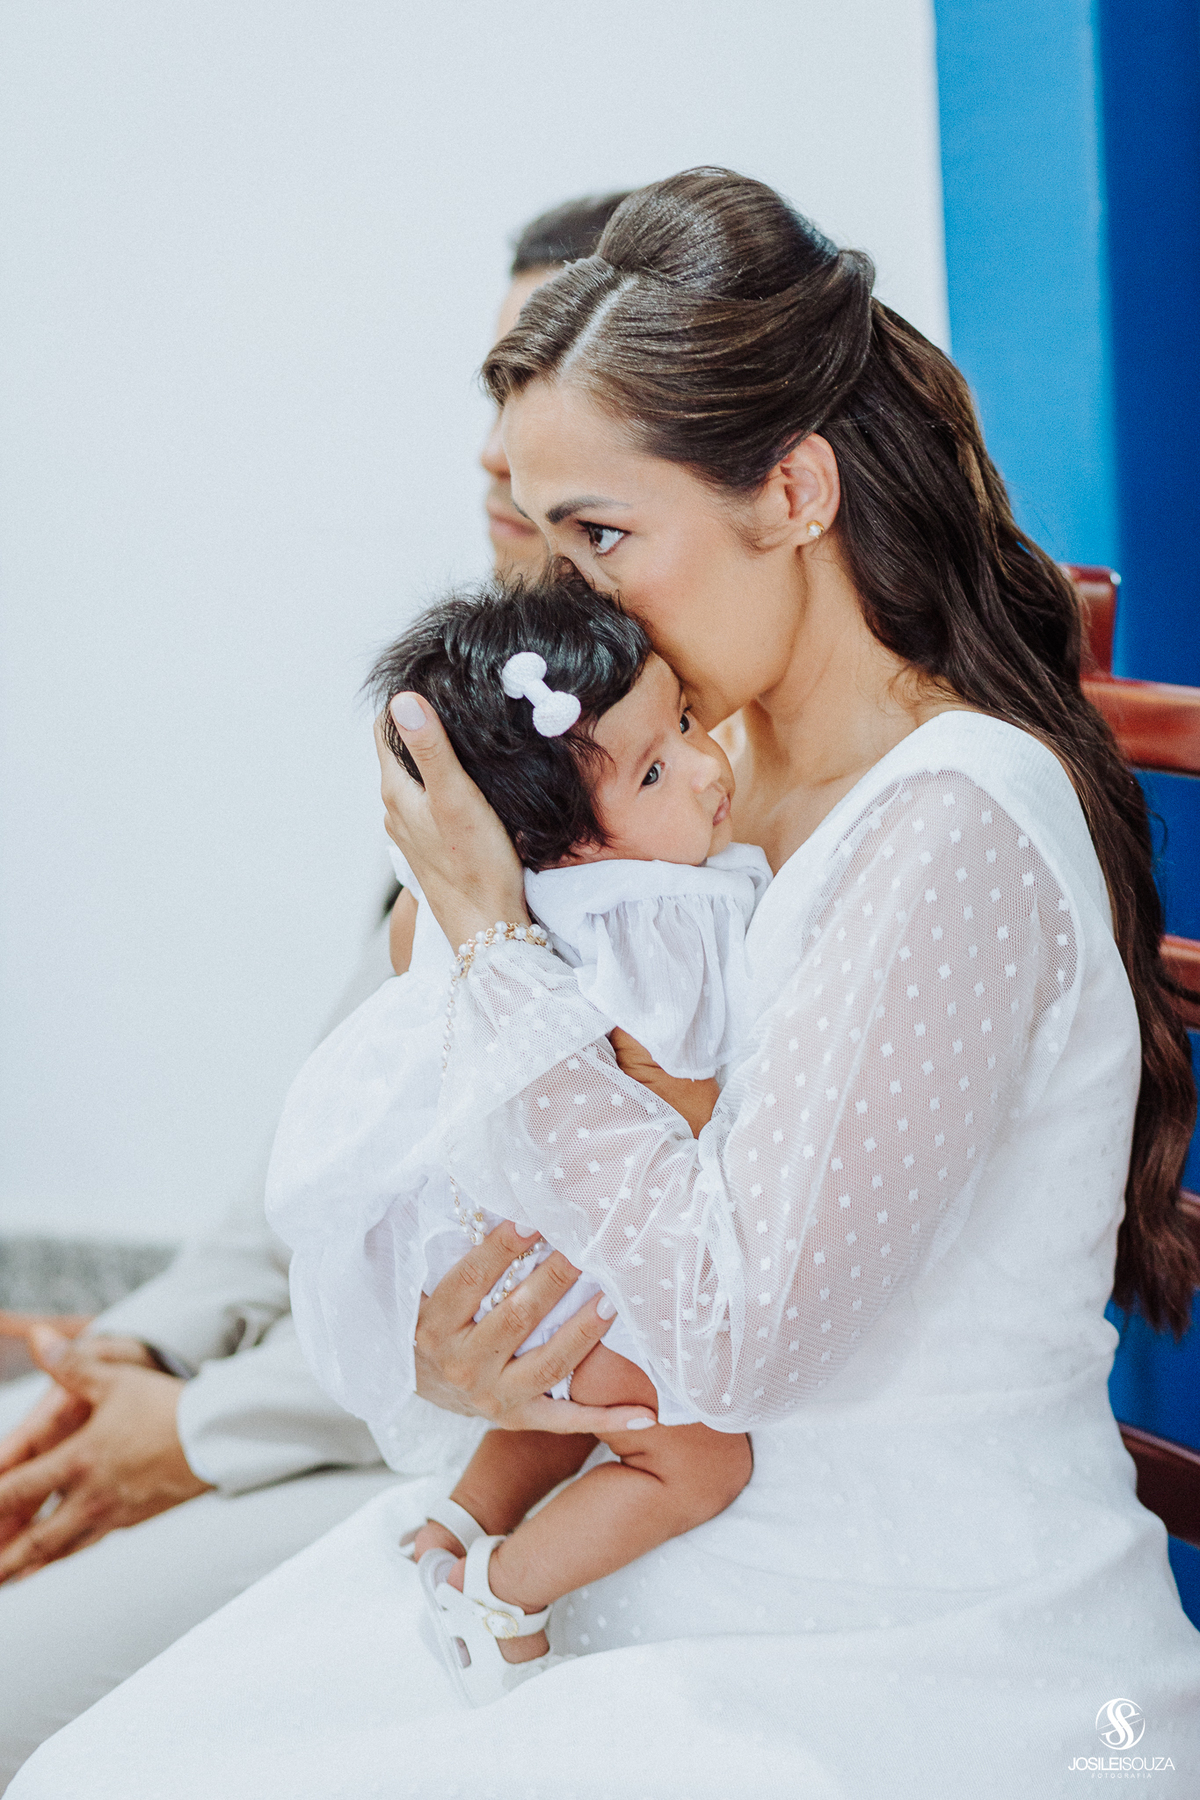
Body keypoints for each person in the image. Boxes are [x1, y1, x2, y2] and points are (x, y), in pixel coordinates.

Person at [13, 166, 1200, 1799]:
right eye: (548, 531)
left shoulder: (955, 824)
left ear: (792, 492)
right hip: (646, 1572)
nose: (571, 596)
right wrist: (473, 1350)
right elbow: (592, 1213)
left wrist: (501, 948)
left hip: (879, 1634)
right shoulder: (687, 791)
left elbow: (728, 1330)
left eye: (607, 533)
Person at [0, 190, 630, 1791]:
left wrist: (198, 1436)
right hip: (314, 1390)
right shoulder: (483, 709)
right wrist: (138, 1359)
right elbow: (324, 1135)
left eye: (535, 396)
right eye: (488, 391)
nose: (494, 455)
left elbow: (550, 1263)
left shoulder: (651, 785)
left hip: (451, 1448)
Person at [266, 572, 765, 1702]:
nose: (705, 765)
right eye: (654, 771)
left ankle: (453, 1523)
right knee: (691, 1455)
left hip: (495, 1251)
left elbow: (412, 963)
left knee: (571, 1406)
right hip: (589, 1245)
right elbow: (687, 1124)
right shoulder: (660, 916)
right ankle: (505, 1589)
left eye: (684, 723)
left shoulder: (471, 896)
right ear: (565, 847)